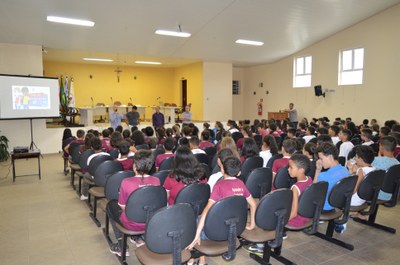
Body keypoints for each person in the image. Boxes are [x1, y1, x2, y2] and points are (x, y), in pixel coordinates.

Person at [186, 156, 256, 265]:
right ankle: (200, 258)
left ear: (222, 169)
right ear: (239, 173)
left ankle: (197, 256)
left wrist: (197, 234)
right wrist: (252, 224)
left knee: (198, 219)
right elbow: (253, 204)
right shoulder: (241, 184)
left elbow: (206, 210)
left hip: (217, 230)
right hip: (234, 228)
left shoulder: (219, 185)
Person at [107, 150, 160, 256]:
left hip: (131, 224)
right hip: (151, 222)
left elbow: (122, 207)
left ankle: (122, 246)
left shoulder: (126, 182)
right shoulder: (156, 180)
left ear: (134, 165)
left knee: (111, 205)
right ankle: (139, 238)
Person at [314, 142, 349, 233]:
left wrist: (317, 170)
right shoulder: (345, 171)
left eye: (321, 158)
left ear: (329, 157)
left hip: (324, 208)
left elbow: (312, 191)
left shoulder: (323, 176)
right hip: (338, 204)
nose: (320, 161)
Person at [287, 154, 313, 228]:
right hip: (307, 215)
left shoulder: (295, 188)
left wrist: (281, 222)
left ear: (301, 170)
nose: (288, 169)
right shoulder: (309, 179)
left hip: (297, 220)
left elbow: (294, 213)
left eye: (291, 167)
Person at [347, 146, 375, 213]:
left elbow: (354, 189)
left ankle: (342, 222)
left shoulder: (361, 171)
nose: (355, 159)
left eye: (356, 157)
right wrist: (351, 170)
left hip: (354, 201)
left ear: (361, 159)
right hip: (363, 198)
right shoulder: (374, 169)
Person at [372, 136, 400, 200]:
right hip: (393, 194)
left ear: (381, 147)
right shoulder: (398, 163)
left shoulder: (375, 160)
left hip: (379, 194)